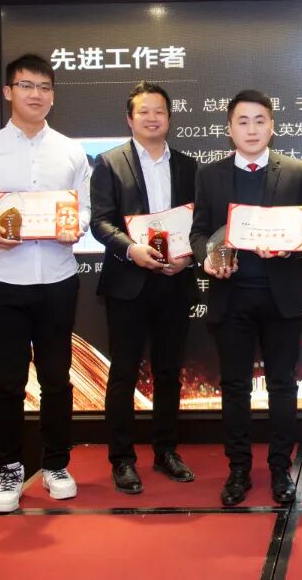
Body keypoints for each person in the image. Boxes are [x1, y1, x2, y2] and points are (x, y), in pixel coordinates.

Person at [0, 53, 90, 513]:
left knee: (57, 379)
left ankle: (56, 465)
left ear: (53, 96)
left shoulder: (70, 151)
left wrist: (76, 226)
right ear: (8, 92)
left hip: (58, 279)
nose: (37, 94)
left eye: (45, 87)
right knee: (7, 383)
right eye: (27, 86)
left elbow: (86, 209)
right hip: (4, 281)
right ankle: (8, 470)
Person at [190, 89, 302, 506]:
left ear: (272, 126)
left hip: (281, 300)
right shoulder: (210, 175)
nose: (251, 129)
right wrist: (207, 258)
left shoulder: (297, 172)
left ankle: (281, 469)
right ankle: (238, 470)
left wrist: (290, 246)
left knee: (283, 386)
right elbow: (199, 232)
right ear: (229, 129)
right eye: (242, 121)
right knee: (235, 389)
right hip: (231, 299)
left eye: (259, 120)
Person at [89, 81, 199, 495]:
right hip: (128, 283)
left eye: (160, 111)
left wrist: (188, 256)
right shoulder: (109, 162)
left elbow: (198, 223)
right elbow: (100, 222)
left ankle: (166, 450)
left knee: (169, 372)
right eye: (144, 111)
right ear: (129, 118)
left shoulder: (188, 166)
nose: (153, 118)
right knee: (123, 373)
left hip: (174, 281)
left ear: (169, 117)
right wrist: (131, 250)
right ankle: (122, 458)